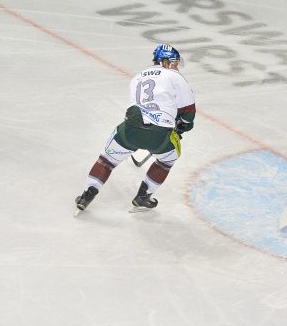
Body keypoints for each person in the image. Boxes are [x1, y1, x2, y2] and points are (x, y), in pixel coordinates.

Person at [74, 44, 196, 213]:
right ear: (166, 62)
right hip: (160, 137)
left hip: (129, 130)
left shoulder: (137, 77)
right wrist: (180, 128)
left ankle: (87, 195)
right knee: (167, 160)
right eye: (175, 63)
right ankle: (143, 197)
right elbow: (188, 117)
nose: (176, 67)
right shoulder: (175, 77)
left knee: (107, 160)